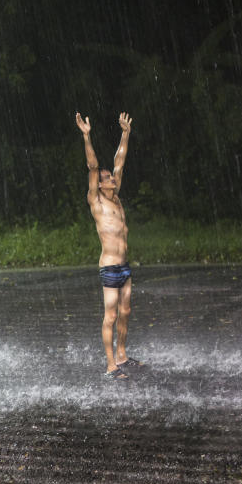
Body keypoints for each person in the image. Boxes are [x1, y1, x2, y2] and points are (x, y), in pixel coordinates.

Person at [75, 111, 145, 379]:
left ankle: (123, 356)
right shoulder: (97, 201)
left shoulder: (116, 199)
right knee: (111, 316)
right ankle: (110, 365)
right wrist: (86, 136)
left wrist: (125, 133)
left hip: (125, 266)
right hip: (109, 268)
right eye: (108, 179)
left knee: (126, 311)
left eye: (112, 178)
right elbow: (93, 167)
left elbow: (120, 161)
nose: (113, 180)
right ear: (100, 185)